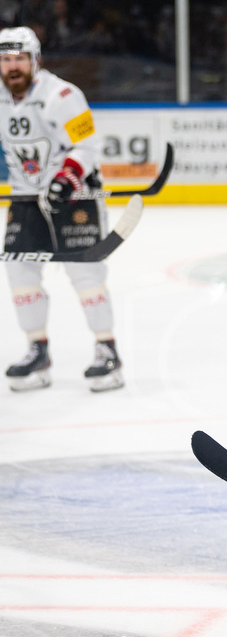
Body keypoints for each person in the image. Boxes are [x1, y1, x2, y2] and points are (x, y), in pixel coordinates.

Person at [0, 26, 124, 392]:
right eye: (5, 60)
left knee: (85, 275)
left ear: (36, 60)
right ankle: (38, 352)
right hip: (24, 196)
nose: (12, 67)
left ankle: (107, 351)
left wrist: (65, 181)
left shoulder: (64, 95)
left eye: (20, 58)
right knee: (20, 273)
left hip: (73, 196)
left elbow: (86, 145)